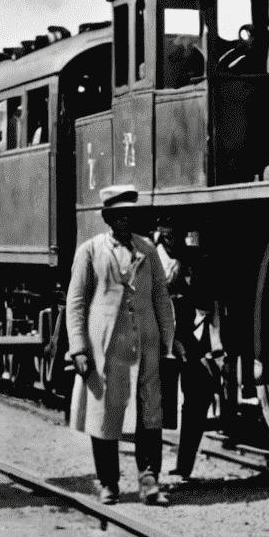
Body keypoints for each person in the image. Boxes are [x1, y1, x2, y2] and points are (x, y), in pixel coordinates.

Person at [67, 185, 175, 505]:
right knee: (106, 411)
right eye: (119, 215)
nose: (126, 220)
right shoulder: (90, 251)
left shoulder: (148, 251)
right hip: (106, 343)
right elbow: (76, 302)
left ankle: (149, 478)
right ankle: (108, 482)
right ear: (108, 218)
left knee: (149, 409)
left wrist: (169, 343)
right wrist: (78, 348)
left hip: (145, 340)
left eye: (131, 214)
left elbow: (161, 298)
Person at [155, 223, 222, 482]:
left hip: (197, 342)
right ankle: (154, 468)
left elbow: (211, 308)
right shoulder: (161, 268)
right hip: (172, 341)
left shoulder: (200, 270)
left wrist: (214, 349)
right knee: (162, 405)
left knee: (195, 404)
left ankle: (184, 466)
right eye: (167, 237)